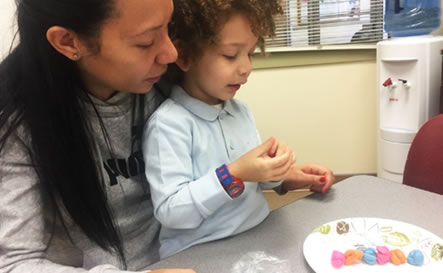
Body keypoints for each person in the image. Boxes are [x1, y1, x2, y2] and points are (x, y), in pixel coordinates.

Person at [0, 0, 195, 272]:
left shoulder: (164, 83)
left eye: (169, 27)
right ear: (69, 41)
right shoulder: (19, 124)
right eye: (146, 42)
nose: (170, 53)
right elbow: (14, 263)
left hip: (186, 254)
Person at [143, 0, 335, 259]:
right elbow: (171, 212)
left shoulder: (239, 112)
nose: (246, 68)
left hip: (257, 235)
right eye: (231, 55)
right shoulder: (169, 125)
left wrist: (281, 173)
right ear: (186, 56)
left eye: (250, 54)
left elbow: (256, 180)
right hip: (200, 251)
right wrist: (232, 174)